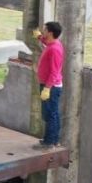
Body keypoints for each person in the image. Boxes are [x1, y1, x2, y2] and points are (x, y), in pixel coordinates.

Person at [34, 20, 65, 148]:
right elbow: (46, 42)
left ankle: (49, 142)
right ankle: (54, 140)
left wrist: (47, 88)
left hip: (51, 87)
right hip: (50, 85)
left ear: (50, 33)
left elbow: (54, 72)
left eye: (45, 30)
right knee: (53, 113)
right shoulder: (53, 43)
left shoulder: (54, 49)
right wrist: (39, 37)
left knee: (49, 114)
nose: (43, 31)